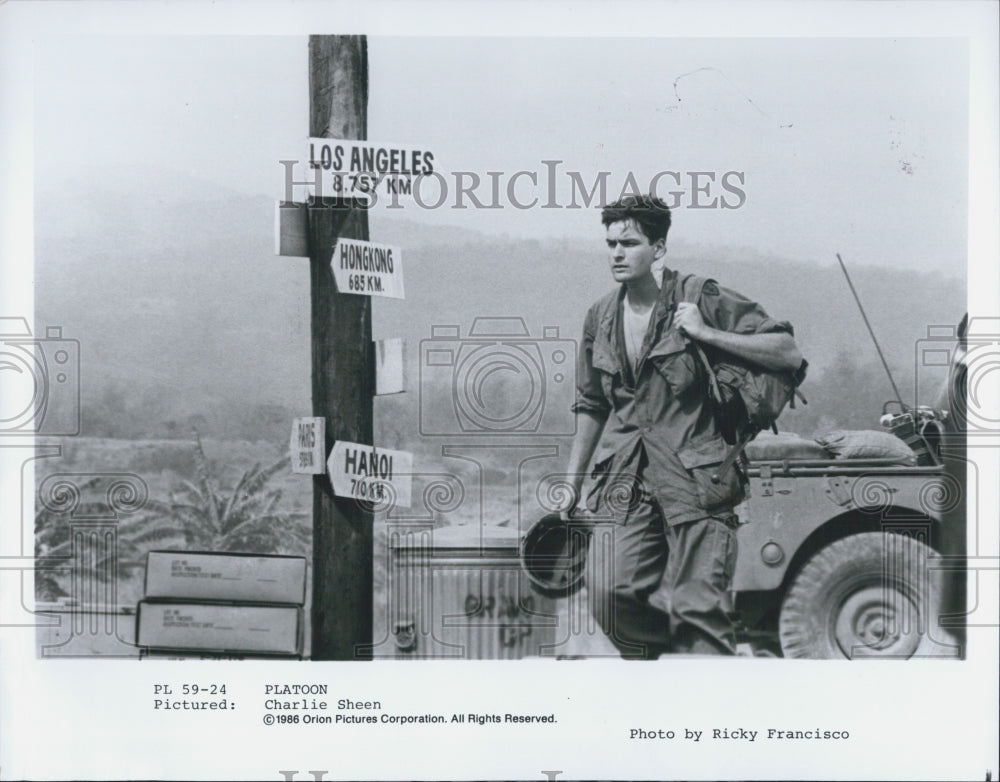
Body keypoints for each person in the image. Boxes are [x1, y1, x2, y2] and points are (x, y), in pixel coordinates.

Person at [561, 194, 803, 658]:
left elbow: (787, 351)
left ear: (659, 247)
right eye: (610, 242)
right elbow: (591, 404)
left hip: (697, 474)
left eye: (629, 243)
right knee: (609, 591)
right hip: (625, 476)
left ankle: (700, 687)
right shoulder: (600, 316)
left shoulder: (699, 296)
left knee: (699, 607)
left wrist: (707, 334)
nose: (616, 253)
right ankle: (666, 667)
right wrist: (571, 484)